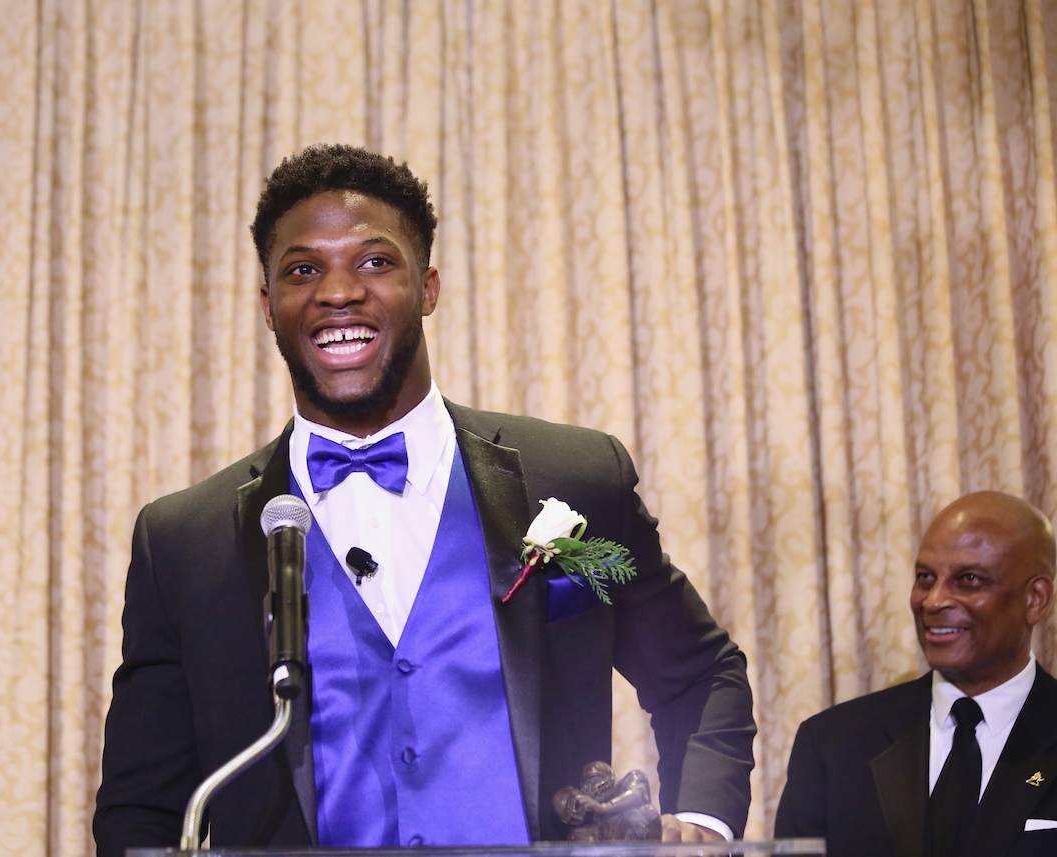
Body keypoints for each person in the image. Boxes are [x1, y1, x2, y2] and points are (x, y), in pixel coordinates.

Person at [93, 144, 756, 856]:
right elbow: (141, 811)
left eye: (375, 262)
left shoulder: (574, 477)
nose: (338, 292)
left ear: (429, 287)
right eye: (302, 269)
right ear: (267, 306)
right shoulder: (184, 543)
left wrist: (702, 828)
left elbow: (700, 674)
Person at [775, 491, 1057, 857]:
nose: (933, 600)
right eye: (925, 577)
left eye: (968, 579)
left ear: (1035, 599)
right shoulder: (833, 744)